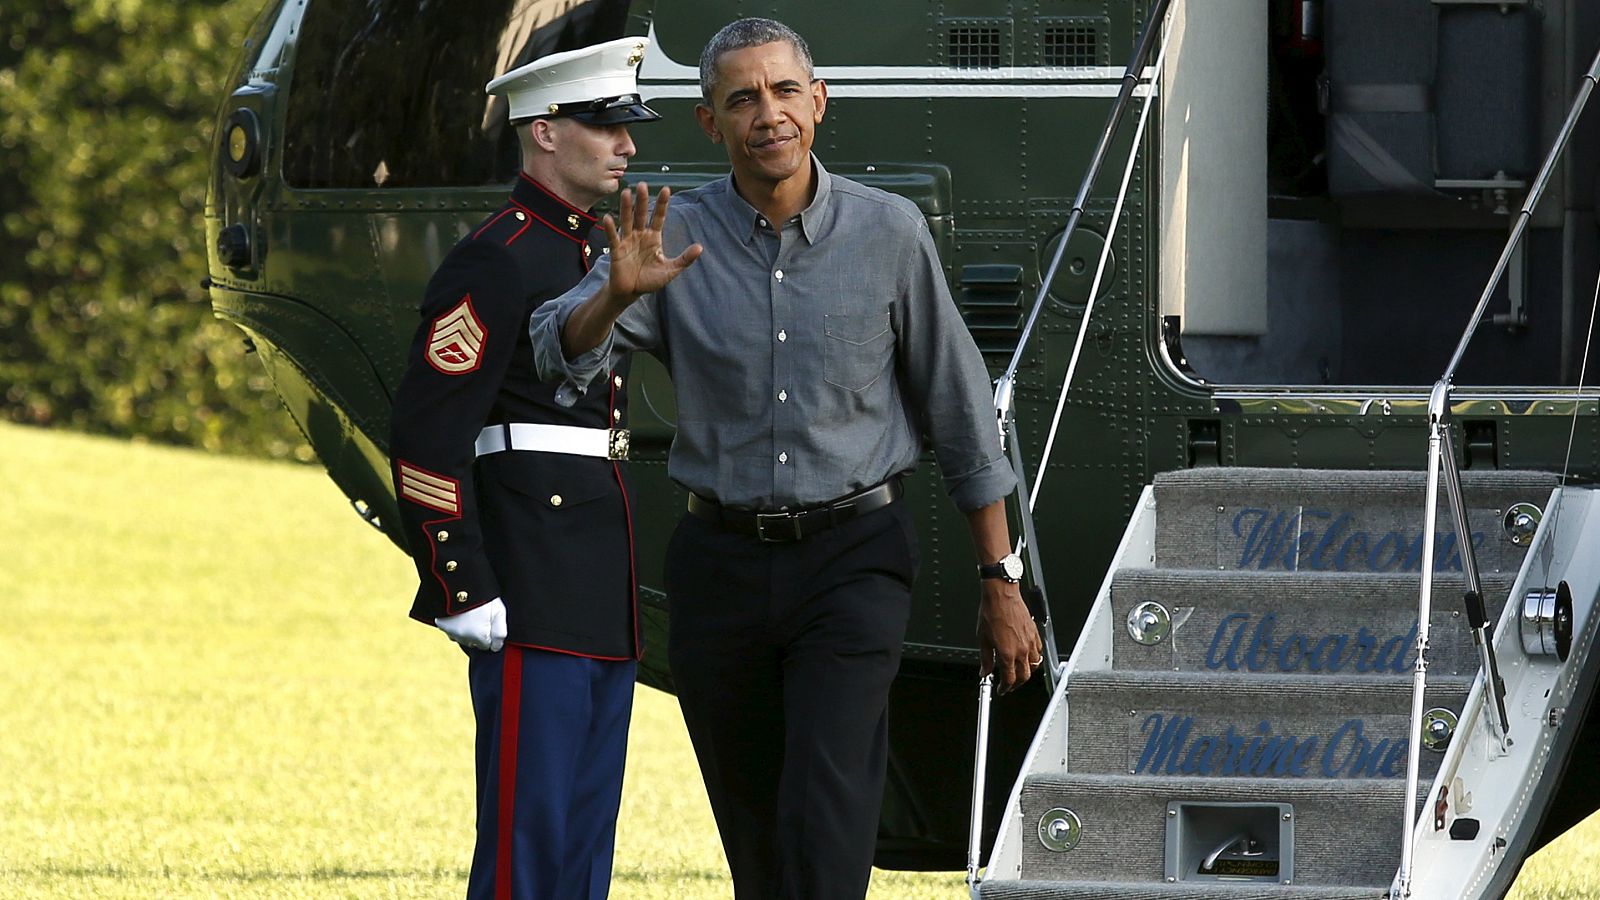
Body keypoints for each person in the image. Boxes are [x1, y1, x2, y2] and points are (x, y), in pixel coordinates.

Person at [529, 18, 1045, 899]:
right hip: (718, 568)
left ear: (818, 103)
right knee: (757, 832)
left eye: (783, 91)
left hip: (853, 564)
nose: (767, 113)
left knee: (827, 805)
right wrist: (613, 297)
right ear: (711, 124)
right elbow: (554, 349)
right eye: (741, 99)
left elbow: (962, 414)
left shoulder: (890, 233)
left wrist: (1001, 579)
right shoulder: (668, 237)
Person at [388, 37, 659, 900]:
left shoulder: (594, 254)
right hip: (527, 585)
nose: (627, 145)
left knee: (583, 846)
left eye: (629, 128)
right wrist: (460, 583)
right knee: (525, 849)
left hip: (594, 585)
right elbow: (427, 439)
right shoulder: (496, 259)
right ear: (544, 132)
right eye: (605, 126)